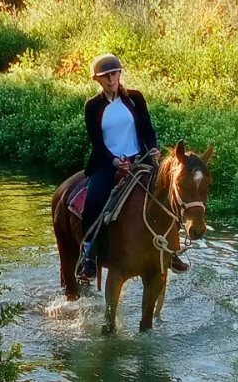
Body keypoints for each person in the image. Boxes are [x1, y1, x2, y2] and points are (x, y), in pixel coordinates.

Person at [80, 54, 189, 279]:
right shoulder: (92, 106)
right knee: (93, 201)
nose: (112, 79)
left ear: (120, 74)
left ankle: (172, 250)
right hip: (108, 163)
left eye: (115, 73)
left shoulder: (135, 99)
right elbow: (97, 142)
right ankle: (88, 255)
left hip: (141, 159)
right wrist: (113, 160)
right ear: (97, 80)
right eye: (106, 76)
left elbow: (148, 129)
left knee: (169, 194)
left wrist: (154, 149)